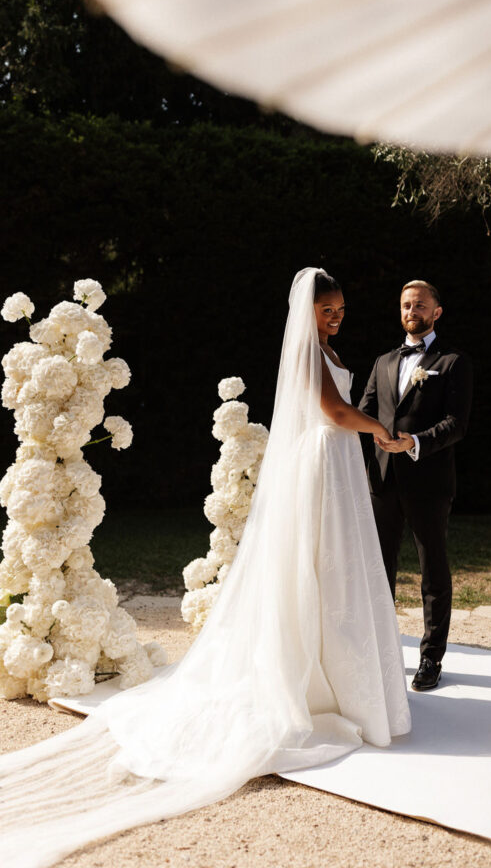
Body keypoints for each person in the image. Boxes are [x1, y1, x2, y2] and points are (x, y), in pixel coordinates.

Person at [0, 268, 410, 868]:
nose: (337, 316)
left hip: (335, 463)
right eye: (329, 309)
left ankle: (345, 675)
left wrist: (365, 429)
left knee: (342, 569)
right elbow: (333, 412)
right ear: (309, 310)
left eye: (342, 308)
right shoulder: (309, 355)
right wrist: (379, 429)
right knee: (323, 565)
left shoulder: (328, 350)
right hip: (326, 462)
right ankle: (321, 681)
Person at [359, 280, 472, 692]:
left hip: (429, 483)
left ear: (436, 312)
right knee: (378, 570)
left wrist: (416, 443)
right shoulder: (384, 361)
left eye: (420, 305)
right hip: (383, 482)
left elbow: (457, 424)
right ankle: (382, 652)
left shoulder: (453, 361)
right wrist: (369, 433)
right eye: (406, 305)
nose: (412, 311)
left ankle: (430, 658)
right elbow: (365, 412)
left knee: (433, 572)